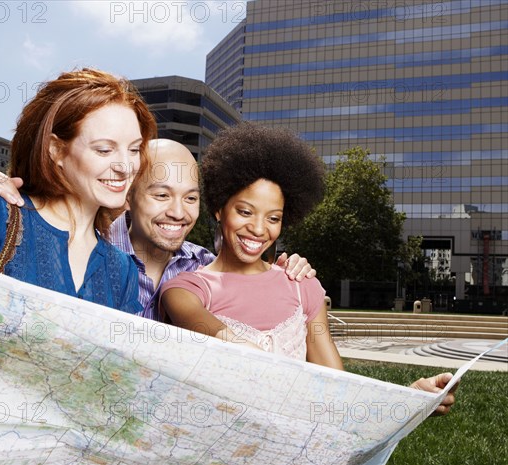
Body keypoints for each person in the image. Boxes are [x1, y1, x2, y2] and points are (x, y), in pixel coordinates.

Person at [0, 139, 314, 366]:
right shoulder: (87, 252)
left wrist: (289, 273)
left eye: (190, 198)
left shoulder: (205, 267)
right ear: (128, 197)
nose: (178, 212)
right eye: (161, 195)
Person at [160, 122, 458, 414]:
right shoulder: (184, 290)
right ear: (219, 209)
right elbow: (226, 345)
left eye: (273, 218)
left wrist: (410, 398)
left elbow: (338, 389)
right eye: (245, 211)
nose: (258, 229)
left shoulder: (302, 286)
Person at [0, 68, 157, 347]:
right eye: (104, 150)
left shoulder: (122, 269)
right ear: (56, 150)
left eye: (134, 149)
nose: (125, 167)